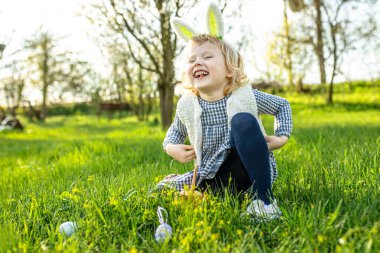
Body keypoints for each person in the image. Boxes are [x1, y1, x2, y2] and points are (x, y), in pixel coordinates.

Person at [157, 2, 292, 221]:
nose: (198, 62)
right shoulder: (188, 105)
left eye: (207, 57)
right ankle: (206, 195)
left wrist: (281, 137)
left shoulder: (244, 95)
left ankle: (264, 201)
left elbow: (282, 106)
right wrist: (171, 147)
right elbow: (174, 132)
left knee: (242, 121)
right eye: (192, 60)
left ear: (229, 70)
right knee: (165, 190)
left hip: (250, 170)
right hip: (212, 173)